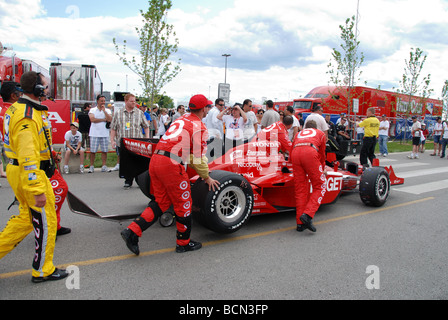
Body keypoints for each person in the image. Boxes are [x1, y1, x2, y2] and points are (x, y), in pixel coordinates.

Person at [121, 94, 220, 255]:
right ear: (203, 109)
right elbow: (197, 159)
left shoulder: (180, 119)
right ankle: (183, 243)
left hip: (156, 160)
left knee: (162, 202)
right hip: (171, 165)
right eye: (208, 107)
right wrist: (207, 177)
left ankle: (132, 231)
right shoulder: (199, 127)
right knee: (184, 203)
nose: (208, 110)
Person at [0, 71, 68, 283]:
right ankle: (43, 270)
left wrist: (50, 155)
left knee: (26, 219)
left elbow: (32, 144)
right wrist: (37, 188)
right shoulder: (27, 116)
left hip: (19, 169)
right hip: (29, 172)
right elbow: (27, 155)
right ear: (38, 89)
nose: (48, 90)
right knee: (46, 220)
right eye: (46, 86)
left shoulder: (23, 108)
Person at [291, 120, 327, 233]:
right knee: (320, 185)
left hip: (296, 154)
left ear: (305, 127)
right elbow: (322, 154)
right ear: (316, 127)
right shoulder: (320, 133)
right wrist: (322, 168)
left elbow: (292, 148)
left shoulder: (298, 134)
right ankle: (308, 215)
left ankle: (300, 224)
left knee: (300, 189)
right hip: (310, 153)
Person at [110, 93, 149, 189]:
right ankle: (128, 180)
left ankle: (139, 180)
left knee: (138, 162)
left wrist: (147, 138)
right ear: (126, 101)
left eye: (135, 101)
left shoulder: (139, 113)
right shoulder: (118, 113)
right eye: (131, 101)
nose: (134, 103)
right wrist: (112, 140)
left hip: (136, 142)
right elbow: (113, 128)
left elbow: (146, 126)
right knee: (126, 162)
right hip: (123, 143)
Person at [88, 95, 112, 173]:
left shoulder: (108, 110)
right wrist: (103, 119)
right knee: (93, 151)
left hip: (104, 133)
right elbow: (92, 119)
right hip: (94, 133)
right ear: (97, 101)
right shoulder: (92, 110)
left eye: (104, 101)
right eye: (101, 101)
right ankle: (91, 166)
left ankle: (104, 166)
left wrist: (104, 111)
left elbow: (109, 119)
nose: (103, 102)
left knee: (104, 151)